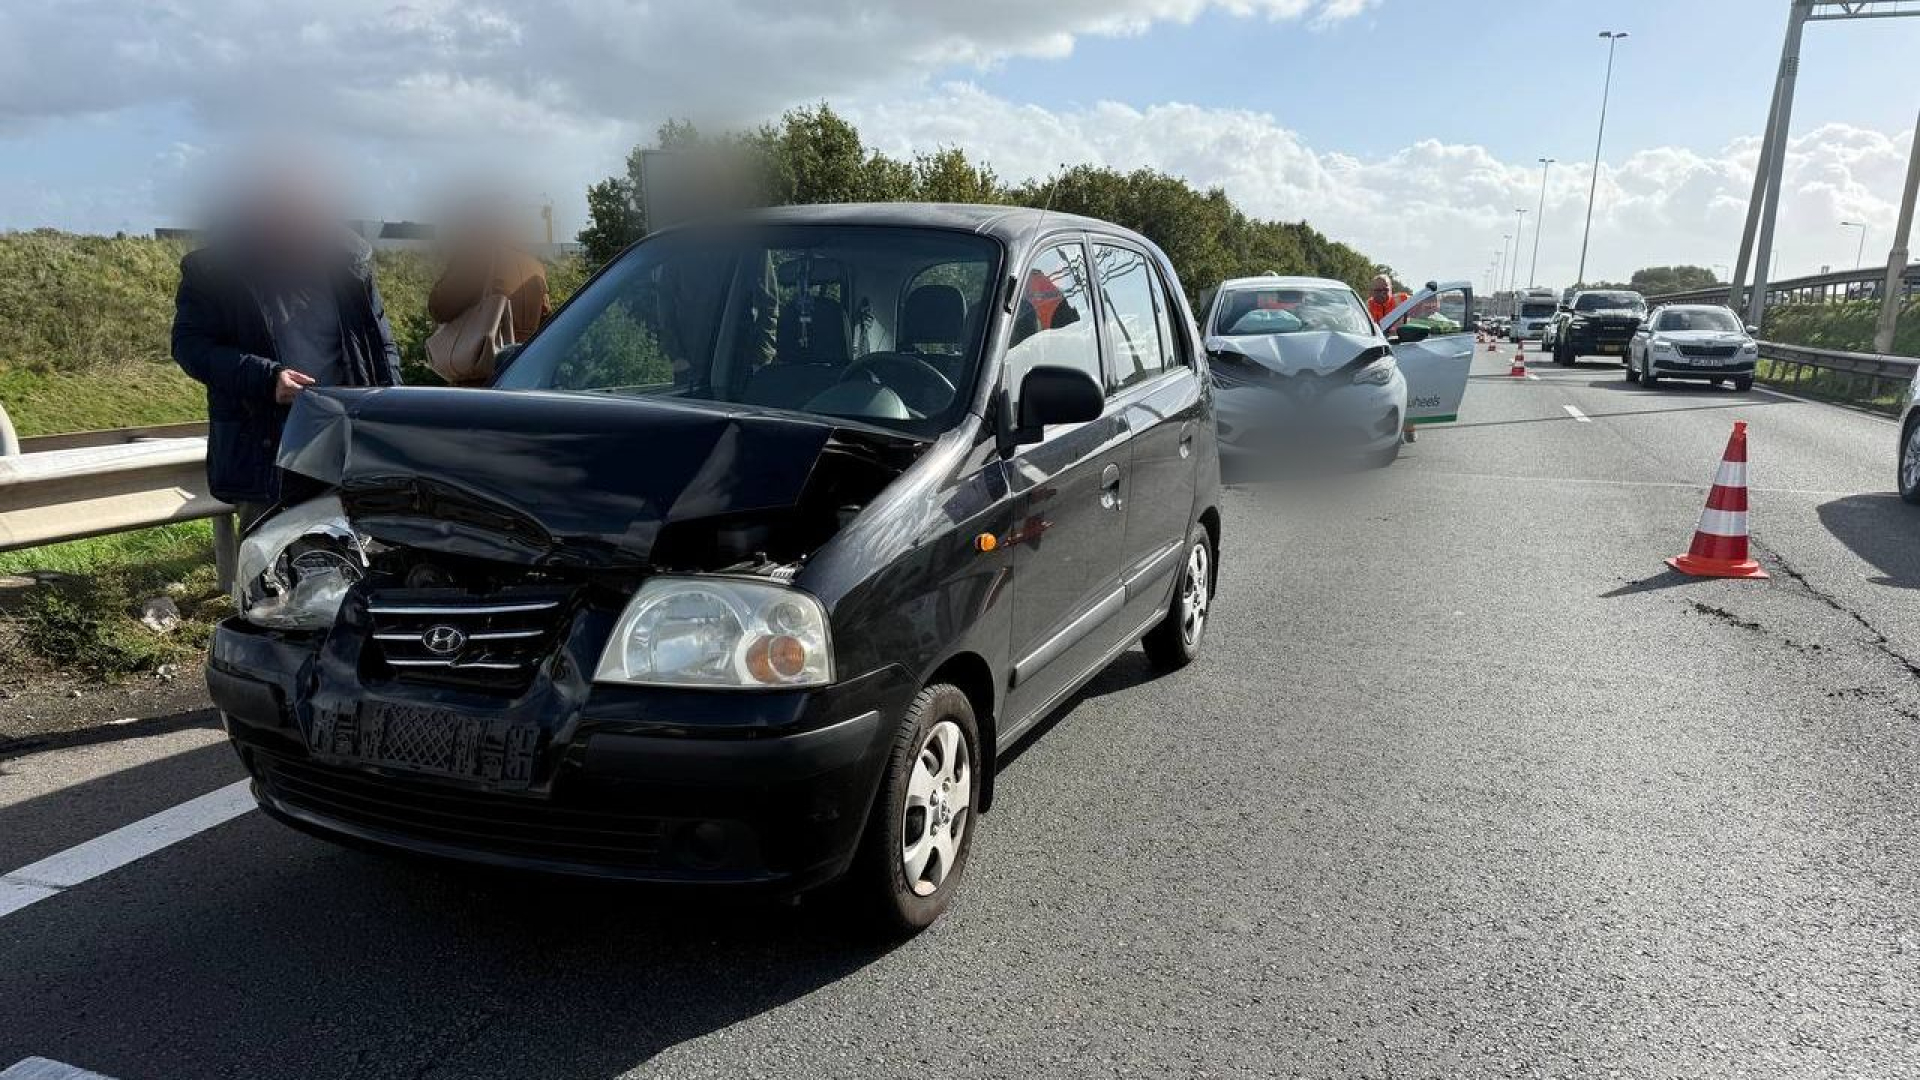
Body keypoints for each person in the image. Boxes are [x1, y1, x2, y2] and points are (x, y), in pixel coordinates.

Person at [171, 173, 403, 528]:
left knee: (358, 562)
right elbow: (190, 347)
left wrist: (390, 408)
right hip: (265, 447)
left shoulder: (349, 265)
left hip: (346, 443)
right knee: (270, 565)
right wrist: (267, 379)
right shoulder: (215, 271)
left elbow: (381, 344)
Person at [427, 215, 550, 383]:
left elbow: (440, 307)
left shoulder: (477, 259)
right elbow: (546, 317)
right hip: (522, 370)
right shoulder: (535, 266)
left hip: (481, 371)